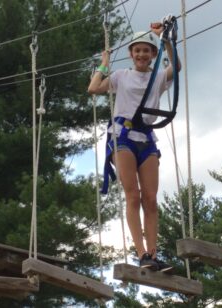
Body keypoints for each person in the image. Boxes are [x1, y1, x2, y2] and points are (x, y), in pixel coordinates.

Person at [88, 22, 181, 272]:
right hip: (124, 137)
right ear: (131, 54)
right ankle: (141, 254)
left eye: (146, 51)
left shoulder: (158, 77)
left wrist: (166, 41)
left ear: (152, 55)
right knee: (133, 195)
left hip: (147, 139)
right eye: (137, 50)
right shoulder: (120, 76)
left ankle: (152, 253)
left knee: (150, 199)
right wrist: (104, 63)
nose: (141, 55)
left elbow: (177, 68)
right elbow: (93, 88)